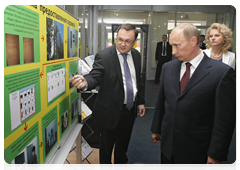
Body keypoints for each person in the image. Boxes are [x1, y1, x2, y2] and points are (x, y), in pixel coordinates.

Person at [151, 23, 236, 170]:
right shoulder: (168, 68)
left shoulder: (221, 73)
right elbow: (161, 102)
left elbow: (224, 119)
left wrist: (216, 152)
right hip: (168, 146)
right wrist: (156, 128)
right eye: (172, 46)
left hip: (197, 150)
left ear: (193, 41)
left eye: (177, 45)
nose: (173, 51)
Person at [70, 23, 145, 170]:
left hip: (129, 108)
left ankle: (121, 165)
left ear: (134, 42)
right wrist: (85, 82)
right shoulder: (104, 56)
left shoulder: (136, 55)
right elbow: (95, 77)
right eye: (119, 39)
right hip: (109, 111)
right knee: (106, 146)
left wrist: (141, 101)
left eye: (127, 41)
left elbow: (138, 80)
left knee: (123, 142)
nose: (122, 44)